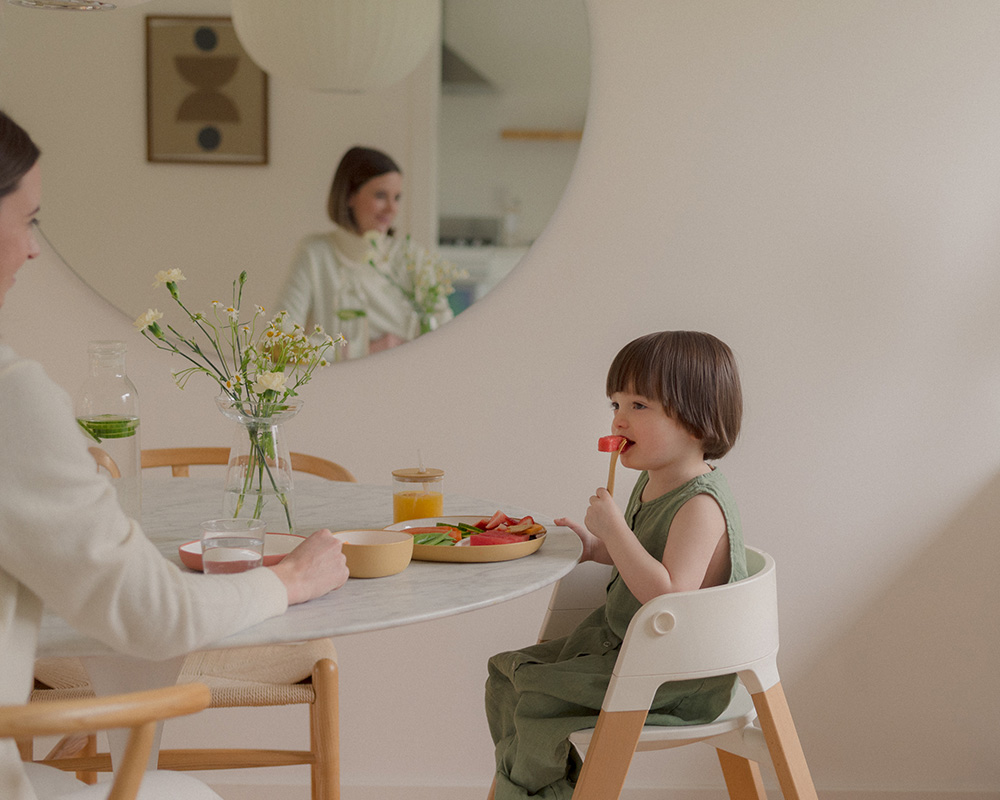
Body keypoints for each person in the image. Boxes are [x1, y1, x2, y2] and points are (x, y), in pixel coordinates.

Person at [0, 109, 350, 800]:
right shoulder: (11, 399)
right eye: (29, 219)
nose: (34, 249)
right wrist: (293, 582)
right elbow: (152, 616)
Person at [484, 331, 748, 800]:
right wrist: (596, 546)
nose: (620, 419)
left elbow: (669, 596)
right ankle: (543, 787)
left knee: (537, 699)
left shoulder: (700, 505)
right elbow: (644, 558)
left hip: (673, 675)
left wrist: (615, 532)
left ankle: (538, 792)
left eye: (639, 406)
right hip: (627, 647)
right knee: (505, 673)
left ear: (696, 421)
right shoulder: (653, 481)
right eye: (615, 404)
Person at [276, 146, 452, 355]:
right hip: (339, 384)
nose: (392, 209)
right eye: (380, 195)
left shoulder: (411, 256)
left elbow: (447, 336)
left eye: (397, 198)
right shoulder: (315, 253)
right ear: (350, 196)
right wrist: (363, 350)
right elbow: (278, 344)